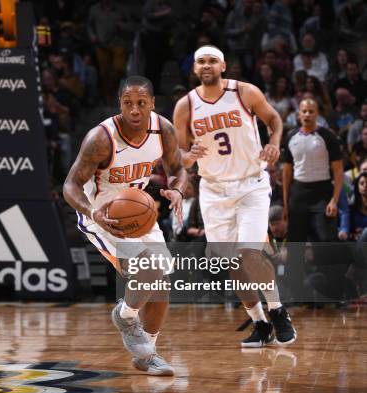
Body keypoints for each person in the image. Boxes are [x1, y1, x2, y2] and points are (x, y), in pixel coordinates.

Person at [63, 75, 187, 375]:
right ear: (120, 104)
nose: (134, 109)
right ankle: (126, 314)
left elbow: (177, 169)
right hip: (102, 214)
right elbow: (70, 185)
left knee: (161, 288)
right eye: (128, 103)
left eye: (141, 103)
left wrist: (177, 189)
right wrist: (92, 213)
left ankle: (147, 355)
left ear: (152, 104)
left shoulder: (163, 130)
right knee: (151, 268)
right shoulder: (101, 138)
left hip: (136, 208)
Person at [174, 45, 297, 347]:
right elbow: (178, 153)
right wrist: (188, 158)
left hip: (250, 184)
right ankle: (260, 323)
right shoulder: (185, 105)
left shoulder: (245, 92)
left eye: (212, 61)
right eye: (200, 61)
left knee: (249, 253)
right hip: (213, 190)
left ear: (223, 66)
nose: (206, 65)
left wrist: (275, 143)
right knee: (231, 263)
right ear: (194, 68)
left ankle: (277, 311)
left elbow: (275, 121)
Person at [282, 98, 343, 243]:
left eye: (311, 111)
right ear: (299, 114)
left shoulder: (328, 136)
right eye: (304, 111)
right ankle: (296, 267)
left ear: (317, 114)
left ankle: (328, 267)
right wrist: (286, 203)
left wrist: (334, 200)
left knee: (327, 239)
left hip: (322, 192)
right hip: (298, 194)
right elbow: (287, 172)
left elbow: (338, 171)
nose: (307, 114)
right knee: (296, 241)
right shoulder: (291, 136)